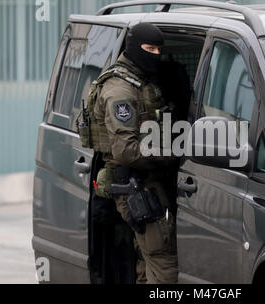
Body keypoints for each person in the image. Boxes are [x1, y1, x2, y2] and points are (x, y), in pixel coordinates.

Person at [93, 22, 178, 284]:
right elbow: (126, 151)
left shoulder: (140, 81)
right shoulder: (121, 90)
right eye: (149, 48)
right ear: (133, 47)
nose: (154, 54)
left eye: (158, 49)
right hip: (135, 184)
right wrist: (171, 155)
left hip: (143, 181)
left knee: (146, 261)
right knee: (163, 262)